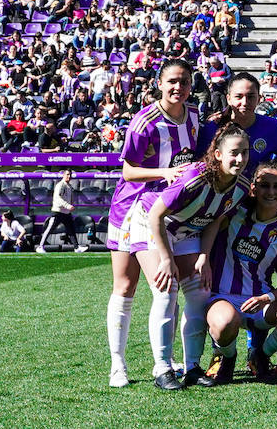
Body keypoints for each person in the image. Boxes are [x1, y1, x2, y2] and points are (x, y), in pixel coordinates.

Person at [104, 59, 201, 388]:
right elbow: (128, 171)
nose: (178, 87)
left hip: (172, 212)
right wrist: (164, 174)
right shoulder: (145, 121)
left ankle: (167, 359)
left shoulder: (194, 117)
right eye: (172, 81)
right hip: (132, 208)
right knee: (126, 286)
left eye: (184, 82)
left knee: (172, 287)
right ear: (160, 83)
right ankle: (118, 363)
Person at [134, 126, 251, 389]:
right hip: (151, 221)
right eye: (234, 153)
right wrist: (166, 259)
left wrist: (203, 256)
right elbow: (155, 215)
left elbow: (215, 218)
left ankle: (192, 368)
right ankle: (162, 369)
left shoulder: (241, 185)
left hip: (187, 229)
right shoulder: (194, 176)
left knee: (199, 294)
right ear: (218, 154)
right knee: (166, 291)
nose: (240, 159)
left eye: (244, 152)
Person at [197, 160, 277, 386]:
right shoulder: (233, 212)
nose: (271, 191)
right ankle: (227, 358)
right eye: (264, 185)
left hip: (260, 303)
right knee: (225, 323)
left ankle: (262, 353)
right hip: (223, 297)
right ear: (253, 188)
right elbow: (210, 223)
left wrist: (267, 298)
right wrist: (204, 257)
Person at [197, 72, 277, 178]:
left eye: (251, 97)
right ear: (228, 99)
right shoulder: (212, 128)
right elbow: (200, 163)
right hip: (221, 192)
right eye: (238, 96)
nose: (245, 102)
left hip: (258, 192)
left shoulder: (272, 126)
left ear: (259, 98)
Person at [38, 169, 86, 252]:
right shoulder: (60, 185)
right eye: (67, 174)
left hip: (66, 213)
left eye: (70, 175)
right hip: (58, 212)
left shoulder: (69, 186)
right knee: (50, 229)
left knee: (71, 230)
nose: (69, 176)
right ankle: (40, 247)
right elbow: (57, 197)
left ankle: (76, 247)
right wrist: (67, 206)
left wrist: (70, 206)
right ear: (63, 175)